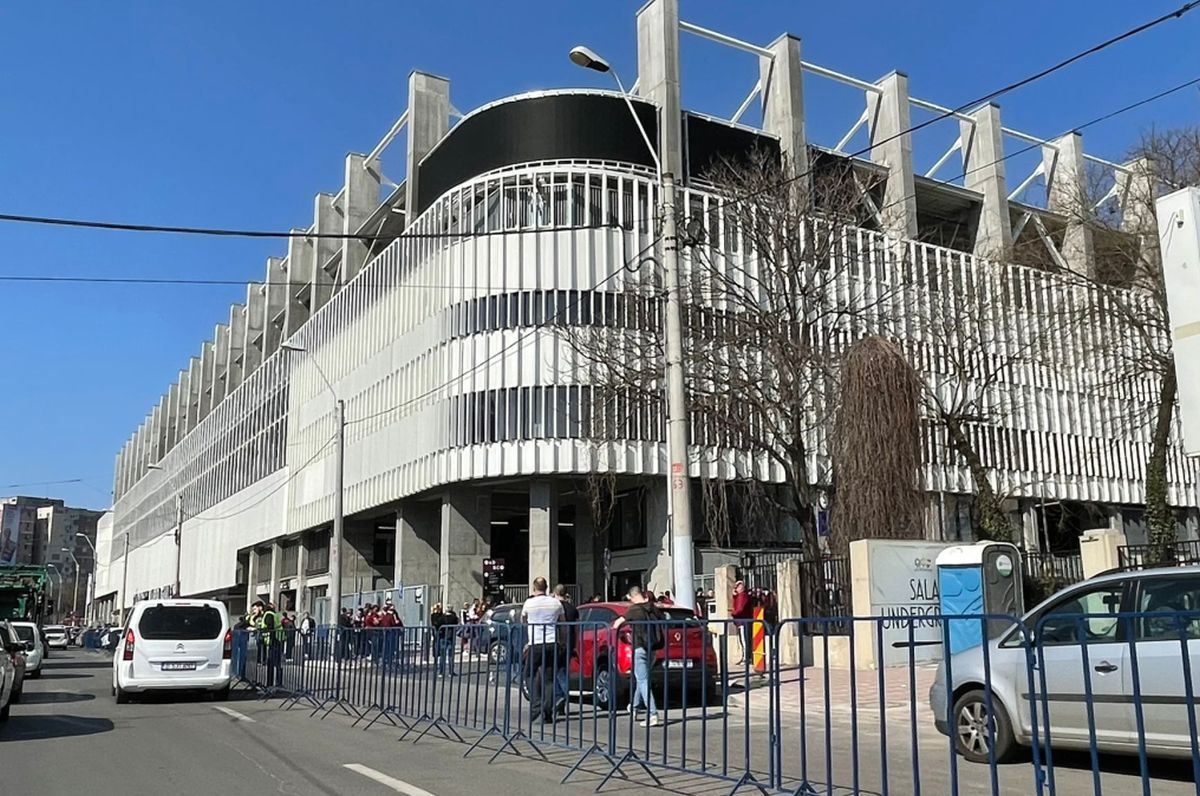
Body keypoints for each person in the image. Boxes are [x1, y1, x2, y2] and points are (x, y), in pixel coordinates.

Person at [613, 586, 663, 727]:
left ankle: (653, 713)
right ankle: (634, 707)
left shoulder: (634, 610)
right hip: (653, 648)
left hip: (640, 647)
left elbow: (617, 623)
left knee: (642, 680)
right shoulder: (654, 608)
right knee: (641, 678)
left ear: (631, 597)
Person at [521, 577, 564, 723]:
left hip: (536, 643)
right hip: (552, 642)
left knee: (529, 675)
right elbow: (563, 622)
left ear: (534, 588)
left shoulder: (529, 603)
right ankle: (547, 711)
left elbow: (524, 620)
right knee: (549, 679)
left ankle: (537, 704)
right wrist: (562, 641)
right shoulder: (555, 603)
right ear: (546, 588)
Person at [552, 584, 579, 715]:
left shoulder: (554, 607)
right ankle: (562, 705)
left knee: (556, 672)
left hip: (557, 642)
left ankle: (560, 696)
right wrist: (575, 643)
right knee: (563, 670)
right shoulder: (572, 608)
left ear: (554, 593)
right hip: (570, 642)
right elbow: (577, 628)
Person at [430, 602, 458, 676]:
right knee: (451, 655)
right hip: (451, 636)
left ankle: (441, 672)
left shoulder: (442, 617)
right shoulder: (454, 617)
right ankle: (451, 672)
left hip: (443, 637)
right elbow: (457, 622)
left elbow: (435, 623)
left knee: (442, 655)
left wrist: (435, 611)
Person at [731, 581, 754, 665]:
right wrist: (734, 596)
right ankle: (746, 657)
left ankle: (747, 658)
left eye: (738, 586)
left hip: (743, 620)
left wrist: (733, 613)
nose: (736, 588)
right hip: (741, 621)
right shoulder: (739, 596)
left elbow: (739, 608)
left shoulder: (742, 596)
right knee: (743, 640)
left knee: (745, 640)